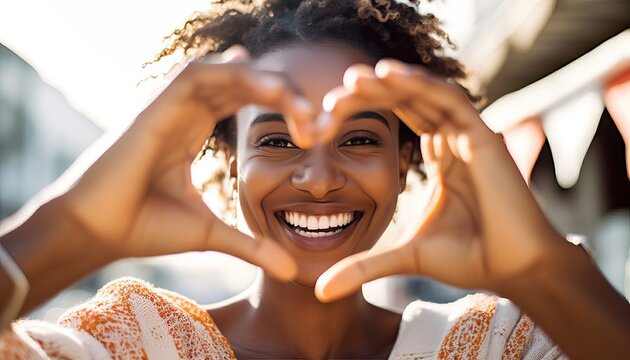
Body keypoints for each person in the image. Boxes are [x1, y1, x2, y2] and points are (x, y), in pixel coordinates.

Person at [1, 1, 629, 359]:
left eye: (359, 140)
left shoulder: (501, 346)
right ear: (227, 158)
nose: (319, 180)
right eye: (276, 141)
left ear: (409, 158)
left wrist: (543, 273)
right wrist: (68, 231)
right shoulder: (130, 344)